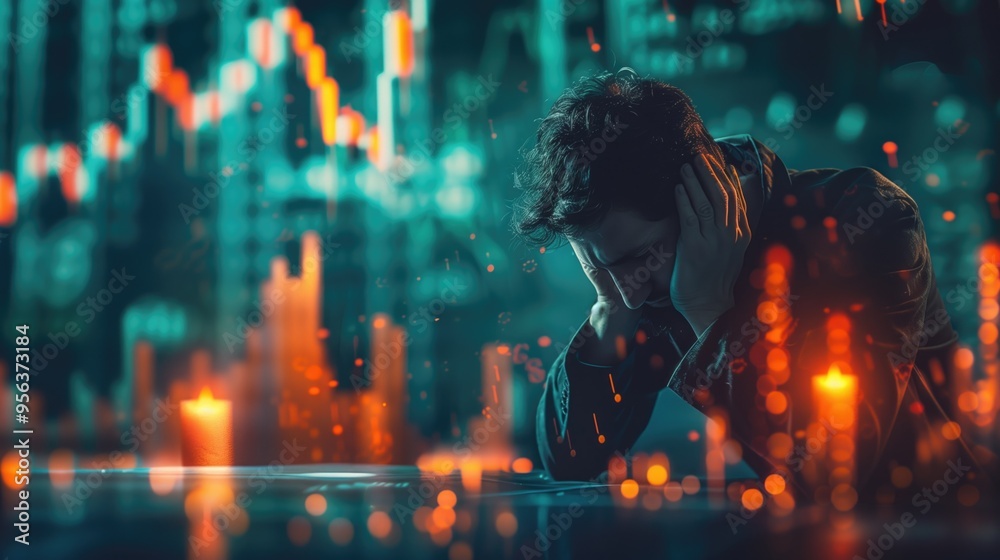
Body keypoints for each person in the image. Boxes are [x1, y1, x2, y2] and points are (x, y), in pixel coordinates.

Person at [513, 68, 972, 499]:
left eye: (636, 259)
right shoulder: (636, 276)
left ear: (697, 202)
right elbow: (571, 464)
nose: (629, 290)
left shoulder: (864, 221)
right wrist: (608, 310)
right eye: (600, 268)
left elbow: (833, 469)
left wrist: (709, 311)